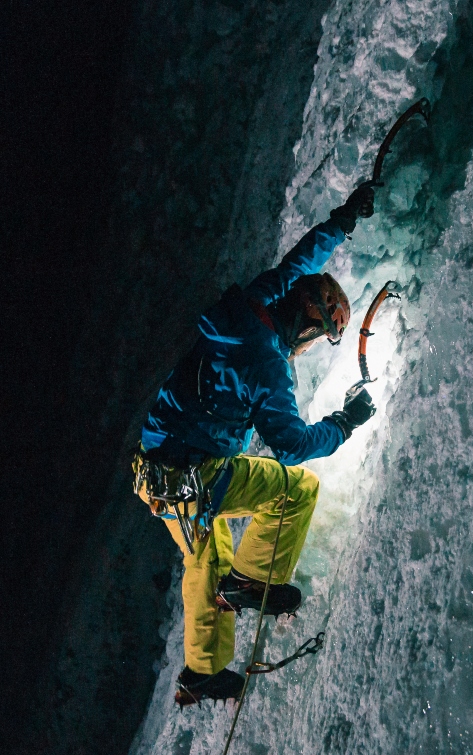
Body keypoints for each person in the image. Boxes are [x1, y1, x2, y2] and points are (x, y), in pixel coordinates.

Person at [132, 183, 379, 706]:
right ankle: (250, 581)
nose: (309, 345)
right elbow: (288, 445)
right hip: (194, 473)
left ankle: (202, 670)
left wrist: (343, 221)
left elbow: (297, 263)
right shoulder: (267, 362)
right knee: (297, 490)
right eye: (316, 335)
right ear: (310, 322)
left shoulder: (252, 304)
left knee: (203, 555)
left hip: (154, 469)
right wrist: (344, 423)